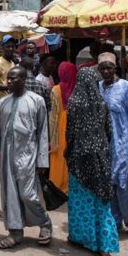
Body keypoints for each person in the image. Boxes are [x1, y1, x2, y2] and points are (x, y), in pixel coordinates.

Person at [0, 66, 51, 249]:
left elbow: (42, 133)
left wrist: (42, 160)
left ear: (23, 79)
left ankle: (45, 222)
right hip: (7, 153)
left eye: (13, 79)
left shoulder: (36, 101)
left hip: (27, 154)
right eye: (8, 79)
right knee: (10, 194)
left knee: (27, 194)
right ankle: (15, 232)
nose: (8, 82)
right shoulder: (3, 102)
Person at [64, 68, 119, 256]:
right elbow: (109, 132)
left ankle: (80, 237)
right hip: (101, 156)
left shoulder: (74, 102)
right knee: (101, 200)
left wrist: (69, 152)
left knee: (81, 201)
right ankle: (104, 246)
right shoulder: (102, 103)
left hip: (79, 157)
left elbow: (70, 132)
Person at [97, 52, 128, 240]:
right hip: (102, 144)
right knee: (109, 183)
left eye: (110, 67)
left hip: (121, 142)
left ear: (115, 69)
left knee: (122, 182)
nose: (106, 71)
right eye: (103, 68)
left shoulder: (127, 87)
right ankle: (115, 221)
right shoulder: (97, 87)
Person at [48, 62, 77, 194]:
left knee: (59, 153)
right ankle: (71, 185)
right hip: (74, 124)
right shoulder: (78, 89)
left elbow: (53, 115)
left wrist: (51, 136)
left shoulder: (56, 89)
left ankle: (58, 184)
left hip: (61, 125)